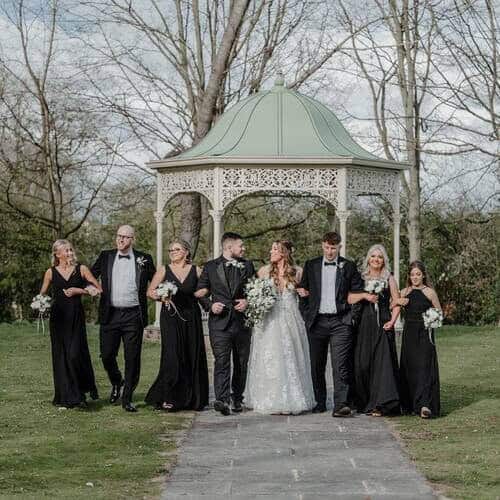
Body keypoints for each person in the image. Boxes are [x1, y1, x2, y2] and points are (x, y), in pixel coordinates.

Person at [297, 232, 364, 417]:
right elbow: (302, 292)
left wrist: (351, 318)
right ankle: (319, 402)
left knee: (340, 364)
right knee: (317, 364)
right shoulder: (311, 265)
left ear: (339, 247)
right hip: (316, 322)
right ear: (322, 245)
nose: (329, 251)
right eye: (327, 247)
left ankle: (341, 404)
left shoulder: (348, 266)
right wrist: (306, 315)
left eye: (333, 248)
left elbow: (358, 293)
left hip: (340, 322)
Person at [245, 240, 315, 414]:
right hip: (270, 319)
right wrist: (258, 302)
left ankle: (294, 398)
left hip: (291, 318)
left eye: (274, 249)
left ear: (283, 252)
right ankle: (269, 398)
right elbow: (255, 293)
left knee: (291, 354)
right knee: (271, 355)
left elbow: (310, 293)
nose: (271, 251)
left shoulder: (297, 272)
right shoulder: (264, 271)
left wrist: (306, 293)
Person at [91, 225, 155, 412]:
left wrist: (166, 292)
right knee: (107, 354)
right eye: (119, 236)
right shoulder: (105, 256)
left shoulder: (144, 259)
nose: (121, 240)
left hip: (134, 314)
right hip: (110, 314)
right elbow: (89, 276)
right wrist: (90, 287)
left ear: (132, 239)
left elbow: (158, 279)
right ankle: (117, 381)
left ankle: (127, 398)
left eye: (125, 237)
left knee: (132, 357)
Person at [195, 232, 255, 416]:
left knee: (241, 362)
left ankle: (237, 398)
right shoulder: (211, 267)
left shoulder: (247, 265)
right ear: (229, 247)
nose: (243, 249)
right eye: (241, 246)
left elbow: (256, 289)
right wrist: (210, 305)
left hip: (241, 322)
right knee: (221, 361)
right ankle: (222, 399)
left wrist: (247, 301)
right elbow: (200, 291)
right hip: (219, 324)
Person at [145, 239, 209, 411]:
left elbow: (207, 287)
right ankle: (169, 397)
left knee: (191, 354)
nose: (172, 252)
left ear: (186, 252)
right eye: (170, 249)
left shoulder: (196, 270)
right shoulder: (164, 270)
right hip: (171, 317)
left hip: (191, 317)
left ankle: (193, 399)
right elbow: (150, 292)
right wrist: (161, 296)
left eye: (176, 249)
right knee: (172, 356)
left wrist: (202, 291)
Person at [39, 239, 102, 408]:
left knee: (75, 354)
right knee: (61, 356)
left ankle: (80, 392)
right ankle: (68, 396)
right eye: (65, 251)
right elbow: (42, 295)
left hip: (75, 317)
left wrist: (79, 290)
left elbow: (98, 289)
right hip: (58, 319)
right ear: (56, 254)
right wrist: (41, 305)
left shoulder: (81, 269)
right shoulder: (50, 272)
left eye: (70, 250)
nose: (69, 253)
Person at [348, 244, 401, 416]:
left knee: (382, 363)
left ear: (384, 260)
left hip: (383, 324)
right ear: (368, 259)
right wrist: (365, 296)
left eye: (379, 257)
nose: (376, 260)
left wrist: (392, 321)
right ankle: (364, 401)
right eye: (373, 256)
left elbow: (397, 301)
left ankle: (382, 404)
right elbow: (349, 298)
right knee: (363, 363)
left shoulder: (389, 278)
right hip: (364, 325)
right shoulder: (361, 278)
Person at [395, 261, 441, 418]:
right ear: (409, 276)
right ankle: (408, 404)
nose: (415, 277)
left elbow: (439, 312)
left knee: (424, 368)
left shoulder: (430, 292)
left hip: (425, 334)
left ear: (423, 275)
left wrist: (429, 320)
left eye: (418, 274)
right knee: (410, 367)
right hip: (409, 334)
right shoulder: (404, 291)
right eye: (412, 274)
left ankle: (425, 405)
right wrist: (397, 301)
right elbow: (389, 305)